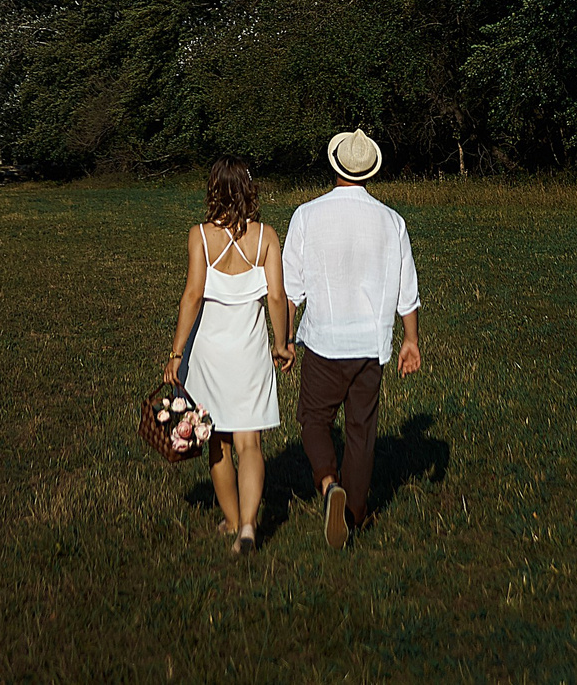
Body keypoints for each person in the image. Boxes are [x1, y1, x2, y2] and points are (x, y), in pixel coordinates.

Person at [281, 128, 422, 548]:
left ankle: (328, 485)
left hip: (324, 340)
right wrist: (410, 341)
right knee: (362, 432)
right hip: (370, 345)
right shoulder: (392, 221)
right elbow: (406, 290)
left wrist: (285, 340)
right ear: (369, 172)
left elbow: (291, 290)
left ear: (335, 164)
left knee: (313, 420)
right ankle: (356, 513)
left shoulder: (307, 215)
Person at [162, 158, 293, 555]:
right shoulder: (267, 236)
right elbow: (275, 296)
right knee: (249, 444)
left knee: (216, 442)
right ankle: (250, 527)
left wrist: (175, 352)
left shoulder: (200, 236)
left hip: (209, 352)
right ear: (249, 190)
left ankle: (233, 519)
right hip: (250, 350)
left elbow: (192, 295)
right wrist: (281, 343)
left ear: (213, 189)